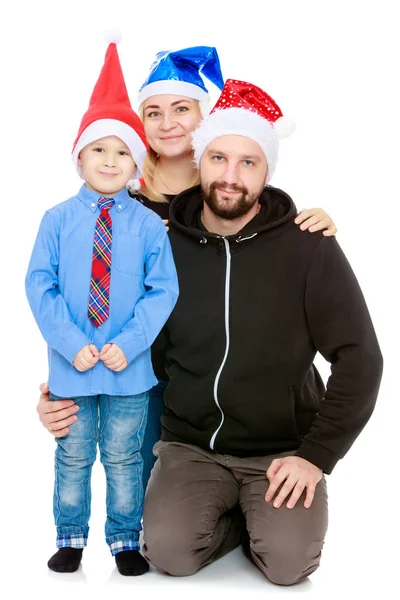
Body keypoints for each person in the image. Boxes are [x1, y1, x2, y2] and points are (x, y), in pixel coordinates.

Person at [35, 47, 339, 492]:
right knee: (142, 513)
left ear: (205, 119)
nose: (167, 122)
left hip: (227, 384)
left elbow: (275, 244)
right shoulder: (118, 198)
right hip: (137, 374)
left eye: (182, 108)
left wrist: (317, 224)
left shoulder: (229, 188)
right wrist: (59, 385)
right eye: (153, 112)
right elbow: (76, 291)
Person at [140, 78, 383, 585]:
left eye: (248, 162)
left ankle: (265, 520)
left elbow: (360, 357)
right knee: (168, 555)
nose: (230, 176)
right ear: (199, 161)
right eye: (218, 159)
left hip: (282, 451)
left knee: (289, 568)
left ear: (267, 172)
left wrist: (315, 458)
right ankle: (228, 519)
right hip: (190, 446)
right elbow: (136, 339)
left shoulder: (308, 247)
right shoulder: (163, 246)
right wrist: (66, 384)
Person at [25, 37, 178, 576]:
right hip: (71, 367)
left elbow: (164, 290)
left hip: (129, 371)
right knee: (71, 457)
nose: (110, 161)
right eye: (99, 149)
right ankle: (70, 536)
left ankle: (123, 540)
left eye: (122, 152)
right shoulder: (56, 220)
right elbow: (38, 285)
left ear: (135, 163)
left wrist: (128, 344)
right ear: (80, 155)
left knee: (123, 459)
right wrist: (73, 345)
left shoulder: (145, 225)